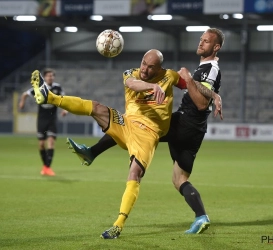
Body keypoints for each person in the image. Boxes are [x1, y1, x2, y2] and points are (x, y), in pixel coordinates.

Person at [67, 28, 224, 235]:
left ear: (216, 47)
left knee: (131, 124)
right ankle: (201, 216)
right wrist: (214, 94)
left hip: (186, 122)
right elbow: (204, 94)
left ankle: (92, 153)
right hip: (194, 129)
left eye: (206, 41)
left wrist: (191, 80)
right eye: (201, 39)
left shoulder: (210, 68)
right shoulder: (206, 67)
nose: (200, 43)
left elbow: (201, 103)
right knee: (179, 180)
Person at [19, 68, 68, 176]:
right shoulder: (39, 88)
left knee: (50, 141)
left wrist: (65, 110)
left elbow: (64, 99)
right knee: (41, 144)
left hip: (52, 118)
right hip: (41, 119)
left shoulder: (57, 87)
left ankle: (47, 167)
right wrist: (22, 103)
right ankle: (45, 166)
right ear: (44, 77)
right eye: (48, 76)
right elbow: (25, 94)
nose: (50, 77)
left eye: (52, 76)